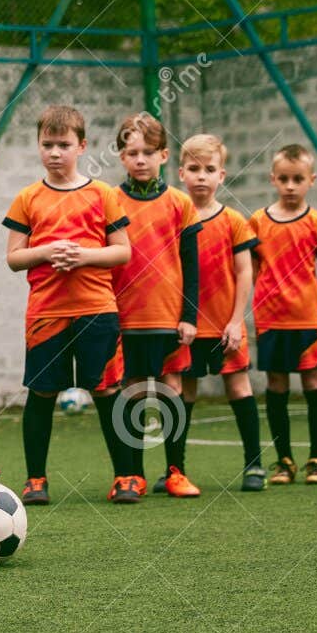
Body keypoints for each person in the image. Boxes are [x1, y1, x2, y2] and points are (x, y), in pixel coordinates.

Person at [5, 104, 133, 506]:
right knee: (42, 393)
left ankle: (126, 477)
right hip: (45, 313)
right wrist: (46, 251)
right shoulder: (27, 198)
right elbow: (14, 258)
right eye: (47, 144)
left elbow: (123, 252)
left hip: (97, 309)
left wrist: (82, 256)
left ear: (82, 146)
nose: (55, 152)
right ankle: (35, 480)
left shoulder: (104, 194)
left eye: (63, 144)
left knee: (107, 389)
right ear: (38, 147)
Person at [95, 113, 202, 499]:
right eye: (132, 152)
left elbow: (191, 264)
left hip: (169, 319)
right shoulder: (110, 199)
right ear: (122, 157)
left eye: (148, 152)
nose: (140, 160)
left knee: (172, 390)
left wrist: (190, 316)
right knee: (134, 392)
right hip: (124, 319)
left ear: (163, 155)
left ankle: (175, 472)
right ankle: (133, 475)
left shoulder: (180, 203)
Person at [162, 134, 265, 491]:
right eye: (194, 169)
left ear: (222, 175)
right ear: (181, 173)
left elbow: (244, 272)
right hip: (185, 326)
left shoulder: (234, 220)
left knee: (238, 387)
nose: (201, 176)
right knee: (181, 392)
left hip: (224, 326)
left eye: (209, 169)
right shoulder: (174, 217)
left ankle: (255, 467)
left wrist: (237, 320)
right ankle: (175, 471)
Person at [249, 144, 317, 485]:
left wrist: (309, 304)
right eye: (284, 179)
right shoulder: (258, 221)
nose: (290, 185)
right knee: (276, 385)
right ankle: (284, 461)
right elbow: (255, 270)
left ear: (311, 181)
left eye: (298, 179)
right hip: (270, 320)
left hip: (307, 320)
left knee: (313, 382)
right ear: (273, 179)